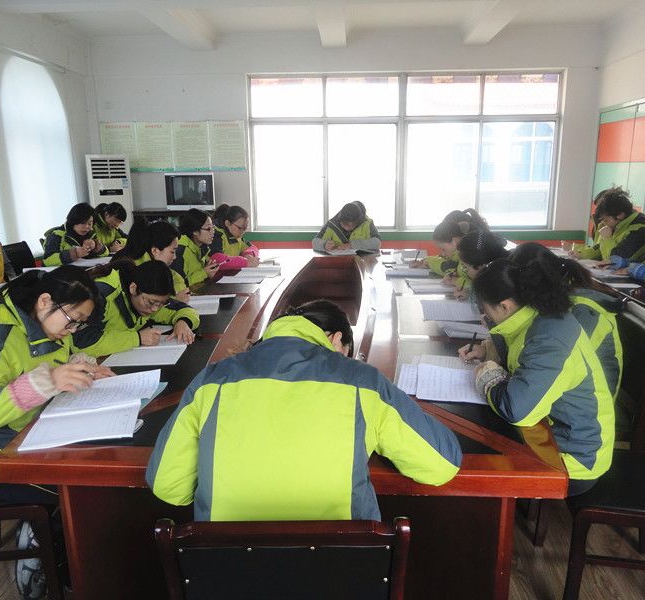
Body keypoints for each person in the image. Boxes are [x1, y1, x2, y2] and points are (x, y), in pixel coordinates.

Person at [146, 299, 462, 520]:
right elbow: (441, 464)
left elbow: (168, 486)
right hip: (342, 570)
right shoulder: (361, 381)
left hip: (225, 572)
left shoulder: (211, 381)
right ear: (335, 339)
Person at [0, 266, 113, 598]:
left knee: (99, 466)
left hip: (36, 435)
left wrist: (82, 369)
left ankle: (65, 554)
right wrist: (46, 382)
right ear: (44, 301)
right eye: (72, 320)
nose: (71, 332)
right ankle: (53, 561)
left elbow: (52, 364)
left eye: (79, 324)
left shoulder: (45, 326)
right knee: (86, 489)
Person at [459, 259, 614, 495]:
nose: (484, 315)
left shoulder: (551, 337)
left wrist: (487, 376)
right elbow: (522, 354)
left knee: (473, 470)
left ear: (505, 306)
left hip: (573, 458)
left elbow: (519, 410)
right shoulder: (536, 316)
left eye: (484, 308)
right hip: (548, 433)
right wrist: (487, 350)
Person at [510, 242, 623, 398]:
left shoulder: (584, 311)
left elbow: (555, 363)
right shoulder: (556, 297)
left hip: (591, 400)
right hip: (567, 386)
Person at [74, 260, 199, 357]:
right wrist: (137, 338)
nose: (155, 309)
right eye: (151, 302)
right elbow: (81, 343)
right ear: (133, 288)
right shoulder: (102, 295)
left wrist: (183, 322)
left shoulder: (151, 298)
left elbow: (184, 309)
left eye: (161, 304)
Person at [113, 217, 190, 301]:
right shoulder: (136, 269)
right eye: (172, 252)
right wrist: (174, 299)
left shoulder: (153, 264)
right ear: (155, 251)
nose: (174, 257)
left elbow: (175, 279)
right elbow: (145, 304)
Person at [570, 187, 645, 261]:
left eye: (606, 220)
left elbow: (615, 260)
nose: (603, 223)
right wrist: (581, 254)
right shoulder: (618, 224)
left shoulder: (640, 230)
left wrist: (607, 239)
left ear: (620, 215)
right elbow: (599, 249)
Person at [411, 209, 488, 278]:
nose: (442, 253)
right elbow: (445, 259)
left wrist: (428, 262)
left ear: (456, 239)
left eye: (443, 249)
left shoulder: (474, 255)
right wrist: (425, 260)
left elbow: (451, 266)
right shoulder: (476, 244)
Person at [42, 203, 109, 266]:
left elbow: (106, 253)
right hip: (66, 272)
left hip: (88, 269)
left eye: (89, 223)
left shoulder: (91, 233)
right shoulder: (56, 235)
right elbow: (47, 260)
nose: (87, 227)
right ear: (73, 221)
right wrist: (74, 253)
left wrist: (96, 246)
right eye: (83, 223)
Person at [454, 230, 509, 300]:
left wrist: (472, 296)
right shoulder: (500, 270)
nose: (466, 272)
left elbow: (494, 301)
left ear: (482, 266)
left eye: (465, 267)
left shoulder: (505, 282)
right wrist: (470, 293)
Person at [173, 208, 220, 287]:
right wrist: (204, 273)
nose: (213, 232)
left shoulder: (202, 247)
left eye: (213, 227)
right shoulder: (180, 251)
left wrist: (209, 271)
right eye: (208, 229)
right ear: (195, 231)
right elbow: (178, 286)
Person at [312, 201, 381, 253]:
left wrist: (352, 245)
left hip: (362, 262)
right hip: (336, 262)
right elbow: (315, 242)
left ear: (358, 221)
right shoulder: (332, 224)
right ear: (340, 219)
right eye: (344, 224)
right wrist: (324, 245)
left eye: (351, 225)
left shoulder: (367, 222)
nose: (347, 228)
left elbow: (377, 243)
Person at [210, 204, 259, 270]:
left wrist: (248, 255)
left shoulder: (236, 235)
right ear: (227, 223)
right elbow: (217, 259)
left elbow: (252, 247)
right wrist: (245, 262)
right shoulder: (215, 235)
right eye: (240, 228)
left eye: (245, 228)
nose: (242, 232)